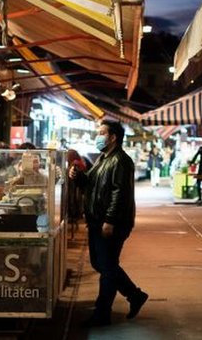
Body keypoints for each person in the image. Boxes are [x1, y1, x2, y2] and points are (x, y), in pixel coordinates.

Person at [68, 120, 148, 327]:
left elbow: (119, 193)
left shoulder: (121, 161)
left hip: (111, 222)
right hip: (97, 220)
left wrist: (110, 220)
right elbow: (91, 185)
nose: (98, 136)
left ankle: (102, 313)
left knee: (107, 267)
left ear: (113, 137)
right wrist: (78, 177)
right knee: (102, 264)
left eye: (102, 133)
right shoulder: (104, 159)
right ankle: (135, 295)